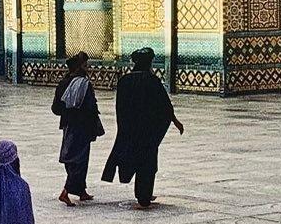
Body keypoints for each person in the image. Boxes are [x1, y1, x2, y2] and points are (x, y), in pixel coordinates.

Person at [102, 48, 183, 209]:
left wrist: (124, 127)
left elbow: (120, 107)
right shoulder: (152, 81)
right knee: (147, 163)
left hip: (130, 129)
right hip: (147, 131)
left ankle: (142, 193)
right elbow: (164, 106)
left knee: (135, 159)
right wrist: (174, 120)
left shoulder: (124, 81)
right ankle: (143, 195)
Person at [51, 52, 103, 205]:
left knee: (72, 156)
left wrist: (68, 112)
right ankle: (66, 191)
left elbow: (56, 108)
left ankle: (81, 191)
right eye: (85, 65)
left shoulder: (63, 83)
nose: (87, 68)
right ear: (80, 67)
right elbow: (90, 107)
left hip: (68, 124)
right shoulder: (83, 84)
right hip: (82, 126)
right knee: (79, 159)